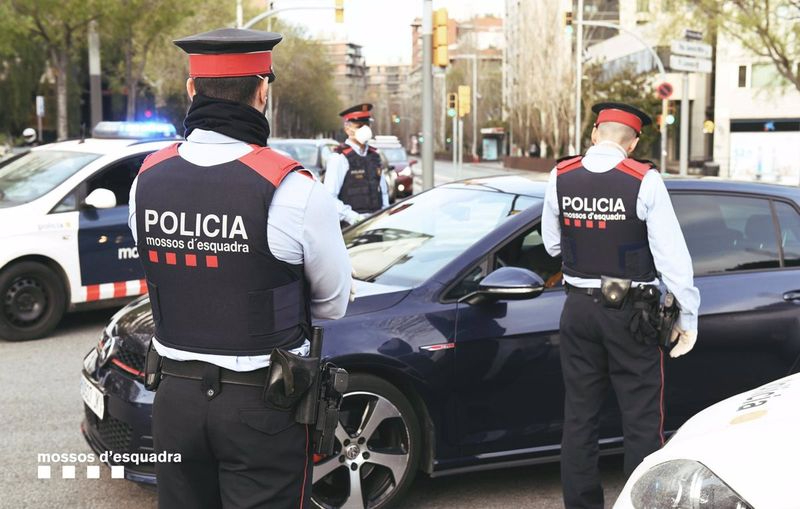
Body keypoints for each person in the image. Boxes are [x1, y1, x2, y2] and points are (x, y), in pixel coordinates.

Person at [127, 27, 351, 509]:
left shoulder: (146, 177)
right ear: (263, 91)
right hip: (261, 405)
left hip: (173, 399)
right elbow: (333, 304)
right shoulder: (292, 188)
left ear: (192, 90)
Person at [542, 102, 700, 509]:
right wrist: (687, 314)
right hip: (632, 312)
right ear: (633, 142)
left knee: (579, 417)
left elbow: (552, 244)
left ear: (595, 134)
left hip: (577, 309)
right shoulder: (643, 179)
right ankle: (640, 504)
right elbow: (671, 257)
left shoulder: (561, 175)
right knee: (642, 420)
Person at [324, 103, 389, 226]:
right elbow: (329, 198)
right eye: (359, 126)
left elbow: (383, 192)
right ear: (348, 129)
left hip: (375, 224)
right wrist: (355, 219)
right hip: (350, 227)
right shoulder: (339, 158)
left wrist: (385, 215)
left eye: (367, 125)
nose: (365, 129)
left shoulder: (374, 156)